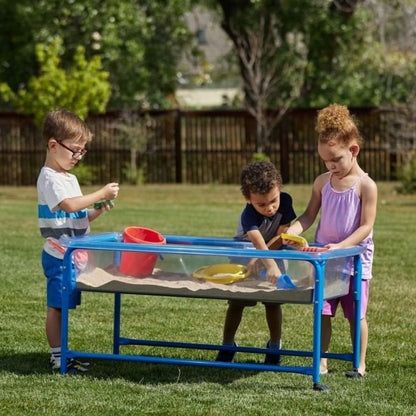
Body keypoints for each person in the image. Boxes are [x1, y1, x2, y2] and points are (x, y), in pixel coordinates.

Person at [285, 103, 377, 378]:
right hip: (325, 260)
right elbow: (309, 215)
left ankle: (359, 364)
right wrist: (294, 231)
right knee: (323, 313)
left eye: (335, 159)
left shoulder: (366, 186)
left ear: (354, 150)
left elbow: (366, 227)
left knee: (355, 314)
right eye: (325, 160)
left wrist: (341, 246)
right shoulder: (322, 182)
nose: (330, 165)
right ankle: (321, 361)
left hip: (353, 260)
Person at [37, 109, 119, 374]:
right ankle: (58, 358)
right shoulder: (49, 177)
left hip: (71, 254)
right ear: (53, 145)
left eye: (82, 152)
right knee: (56, 308)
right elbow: (70, 205)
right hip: (58, 255)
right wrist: (101, 191)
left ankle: (65, 355)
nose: (78, 157)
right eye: (75, 150)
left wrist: (97, 208)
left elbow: (78, 216)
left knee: (64, 306)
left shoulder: (68, 178)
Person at [216, 160, 297, 364]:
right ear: (248, 199)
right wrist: (263, 262)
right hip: (245, 254)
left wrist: (271, 266)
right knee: (237, 303)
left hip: (275, 252)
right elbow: (258, 243)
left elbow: (281, 236)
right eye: (262, 204)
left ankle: (275, 347)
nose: (270, 208)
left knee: (272, 303)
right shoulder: (248, 215)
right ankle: (227, 345)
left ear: (279, 189)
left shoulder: (286, 201)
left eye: (273, 201)